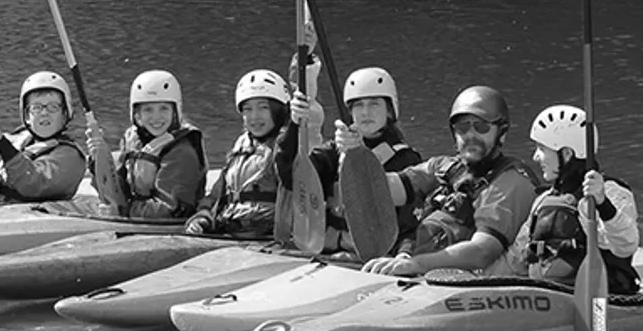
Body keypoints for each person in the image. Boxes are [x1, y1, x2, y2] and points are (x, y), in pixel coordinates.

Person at [361, 86, 541, 276]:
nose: (470, 135)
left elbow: (482, 251)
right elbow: (382, 191)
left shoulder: (511, 182)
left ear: (502, 134)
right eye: (463, 128)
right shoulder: (444, 167)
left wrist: (416, 264)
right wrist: (354, 152)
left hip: (465, 286)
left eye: (481, 127)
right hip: (418, 270)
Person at [279, 66, 426, 257]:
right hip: (327, 253)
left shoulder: (406, 159)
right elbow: (290, 177)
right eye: (358, 105)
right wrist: (294, 124)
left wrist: (404, 255)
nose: (365, 112)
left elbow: (410, 220)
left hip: (371, 258)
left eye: (374, 104)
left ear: (389, 111)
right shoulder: (333, 151)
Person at [502, 104, 641, 297]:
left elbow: (626, 245)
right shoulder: (544, 200)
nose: (535, 157)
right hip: (545, 299)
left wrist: (602, 202)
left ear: (566, 154)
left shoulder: (610, 192)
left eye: (541, 149)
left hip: (601, 302)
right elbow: (516, 259)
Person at [182, 70, 288, 237]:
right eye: (247, 109)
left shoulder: (288, 145)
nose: (254, 116)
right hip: (232, 227)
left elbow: (308, 121)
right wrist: (203, 217)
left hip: (266, 233)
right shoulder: (241, 145)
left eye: (263, 107)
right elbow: (218, 193)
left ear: (279, 110)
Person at [87, 70, 205, 218]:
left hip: (166, 226)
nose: (156, 117)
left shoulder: (182, 152)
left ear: (175, 112)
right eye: (148, 109)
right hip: (138, 214)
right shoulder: (133, 141)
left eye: (164, 108)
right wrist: (99, 162)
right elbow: (117, 190)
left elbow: (169, 210)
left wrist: (123, 211)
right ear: (137, 114)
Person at [0, 71, 86, 202]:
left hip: (35, 215)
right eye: (36, 107)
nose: (44, 113)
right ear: (27, 116)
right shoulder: (19, 138)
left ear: (65, 114)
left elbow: (32, 184)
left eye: (53, 107)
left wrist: (2, 143)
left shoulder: (70, 157)